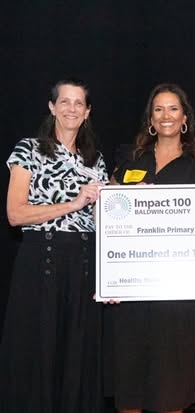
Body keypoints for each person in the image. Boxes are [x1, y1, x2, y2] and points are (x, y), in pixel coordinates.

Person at [108, 83, 195, 413]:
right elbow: (107, 216)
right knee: (130, 388)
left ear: (185, 116)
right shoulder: (130, 159)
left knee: (171, 389)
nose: (166, 116)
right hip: (133, 290)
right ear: (150, 117)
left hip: (180, 293)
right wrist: (110, 276)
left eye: (173, 108)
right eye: (158, 109)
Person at [0, 78, 109, 413]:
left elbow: (112, 213)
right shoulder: (29, 149)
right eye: (64, 102)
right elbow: (15, 214)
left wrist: (142, 196)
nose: (71, 109)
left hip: (84, 264)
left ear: (88, 112)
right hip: (41, 261)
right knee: (39, 352)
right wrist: (73, 204)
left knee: (78, 355)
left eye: (79, 103)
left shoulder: (96, 160)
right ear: (52, 107)